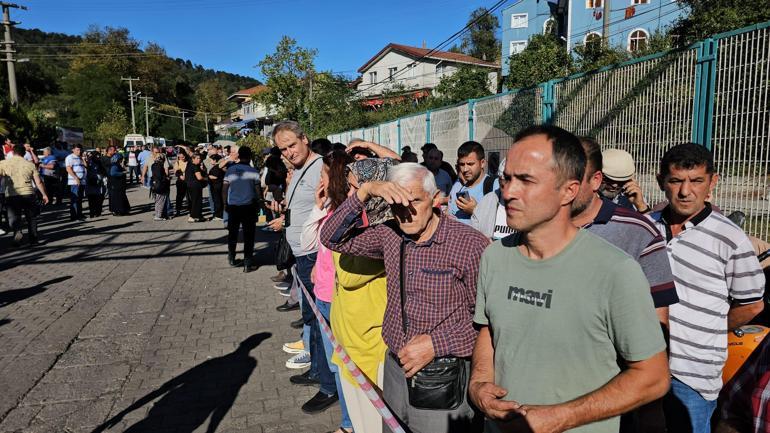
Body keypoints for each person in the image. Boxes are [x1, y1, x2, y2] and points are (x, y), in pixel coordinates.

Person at [470, 125, 671, 433]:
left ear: (569, 190)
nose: (508, 192)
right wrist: (480, 384)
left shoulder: (614, 270)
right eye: (507, 178)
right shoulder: (494, 257)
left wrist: (559, 418)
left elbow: (654, 377)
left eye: (526, 180)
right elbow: (489, 331)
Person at [321, 162, 489, 433]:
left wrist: (437, 344)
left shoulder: (468, 245)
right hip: (395, 371)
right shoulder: (390, 234)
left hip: (442, 376)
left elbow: (487, 323)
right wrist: (365, 191)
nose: (406, 213)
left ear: (436, 199)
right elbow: (332, 239)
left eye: (415, 202)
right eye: (397, 204)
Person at [649, 143, 765, 433]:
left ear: (712, 182)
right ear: (661, 180)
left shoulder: (729, 238)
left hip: (693, 374)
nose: (685, 192)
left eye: (696, 181)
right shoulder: (646, 226)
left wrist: (709, 328)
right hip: (643, 362)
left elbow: (752, 305)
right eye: (676, 181)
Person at [270, 120, 337, 414]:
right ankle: (316, 371)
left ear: (305, 139)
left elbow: (331, 208)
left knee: (321, 322)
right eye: (283, 149)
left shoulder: (321, 167)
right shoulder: (299, 170)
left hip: (313, 256)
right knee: (311, 319)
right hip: (303, 254)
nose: (288, 152)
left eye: (292, 145)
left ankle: (329, 386)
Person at [0, 144, 49, 245]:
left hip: (12, 194)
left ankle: (17, 232)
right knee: (31, 217)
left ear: (13, 152)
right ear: (24, 153)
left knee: (14, 217)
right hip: (28, 193)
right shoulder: (30, 165)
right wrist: (44, 194)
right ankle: (33, 240)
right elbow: (38, 182)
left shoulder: (3, 163)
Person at [223, 147, 259, 272]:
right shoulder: (253, 171)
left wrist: (225, 204)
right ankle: (247, 263)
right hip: (248, 207)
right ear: (250, 157)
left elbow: (225, 189)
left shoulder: (230, 170)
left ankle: (232, 258)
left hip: (233, 207)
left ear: (238, 156)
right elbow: (257, 191)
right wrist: (260, 204)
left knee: (232, 234)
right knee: (249, 235)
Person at [447, 141, 497, 224]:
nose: (465, 169)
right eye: (462, 164)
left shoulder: (493, 186)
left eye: (470, 164)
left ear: (482, 163)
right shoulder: (458, 186)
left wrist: (475, 210)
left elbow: (500, 221)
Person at [600, 149, 650, 213]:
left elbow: (649, 222)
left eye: (621, 180)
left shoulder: (632, 197)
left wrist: (641, 205)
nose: (614, 185)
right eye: (609, 179)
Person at [65, 144, 87, 221]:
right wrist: (76, 178)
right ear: (73, 150)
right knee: (75, 199)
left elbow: (86, 166)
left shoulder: (80, 157)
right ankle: (74, 216)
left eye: (80, 149)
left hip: (82, 181)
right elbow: (68, 169)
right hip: (74, 181)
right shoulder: (70, 157)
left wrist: (83, 158)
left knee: (80, 199)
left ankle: (80, 214)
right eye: (77, 150)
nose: (79, 151)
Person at [185, 153, 208, 223]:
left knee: (196, 201)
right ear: (193, 159)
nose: (199, 160)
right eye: (197, 158)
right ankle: (192, 216)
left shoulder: (189, 164)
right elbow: (199, 177)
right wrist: (206, 178)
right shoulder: (195, 166)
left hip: (190, 185)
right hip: (195, 185)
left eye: (200, 158)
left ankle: (199, 216)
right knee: (196, 201)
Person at [151, 153, 172, 221]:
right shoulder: (159, 166)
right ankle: (158, 216)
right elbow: (160, 176)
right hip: (160, 186)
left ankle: (161, 215)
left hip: (156, 185)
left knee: (158, 201)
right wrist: (166, 178)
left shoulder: (154, 165)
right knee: (161, 201)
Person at [85, 152, 105, 218]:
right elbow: (87, 170)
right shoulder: (89, 162)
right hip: (90, 182)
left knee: (99, 198)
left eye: (99, 156)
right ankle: (92, 212)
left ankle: (98, 212)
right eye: (97, 156)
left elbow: (103, 172)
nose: (98, 157)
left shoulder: (100, 162)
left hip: (99, 183)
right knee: (91, 199)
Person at [207, 154, 225, 221]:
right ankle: (218, 214)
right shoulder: (217, 167)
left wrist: (208, 176)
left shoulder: (217, 167)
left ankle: (219, 215)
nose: (210, 161)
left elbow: (215, 177)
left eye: (211, 160)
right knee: (218, 200)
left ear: (215, 160)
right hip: (217, 186)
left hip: (216, 186)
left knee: (217, 201)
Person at [173, 150, 189, 217]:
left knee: (189, 196)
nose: (182, 158)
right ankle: (178, 210)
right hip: (181, 181)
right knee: (179, 196)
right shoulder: (177, 162)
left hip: (188, 181)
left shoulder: (189, 162)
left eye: (183, 157)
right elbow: (176, 171)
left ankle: (190, 209)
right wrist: (180, 175)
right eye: (180, 157)